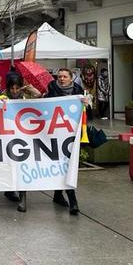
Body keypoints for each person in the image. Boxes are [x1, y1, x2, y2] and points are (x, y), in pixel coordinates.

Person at [0, 76, 41, 210]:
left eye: (17, 88)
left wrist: (34, 91)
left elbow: (41, 101)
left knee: (23, 167)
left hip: (24, 139)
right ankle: (9, 189)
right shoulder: (2, 97)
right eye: (12, 88)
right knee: (9, 167)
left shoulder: (25, 98)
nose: (15, 91)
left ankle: (23, 198)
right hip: (7, 139)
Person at [45, 68, 84, 215]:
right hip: (55, 135)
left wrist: (86, 103)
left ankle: (58, 194)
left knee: (67, 165)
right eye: (59, 76)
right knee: (63, 165)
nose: (61, 79)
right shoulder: (51, 90)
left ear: (71, 78)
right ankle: (73, 201)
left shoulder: (78, 91)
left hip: (71, 135)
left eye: (65, 76)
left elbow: (87, 112)